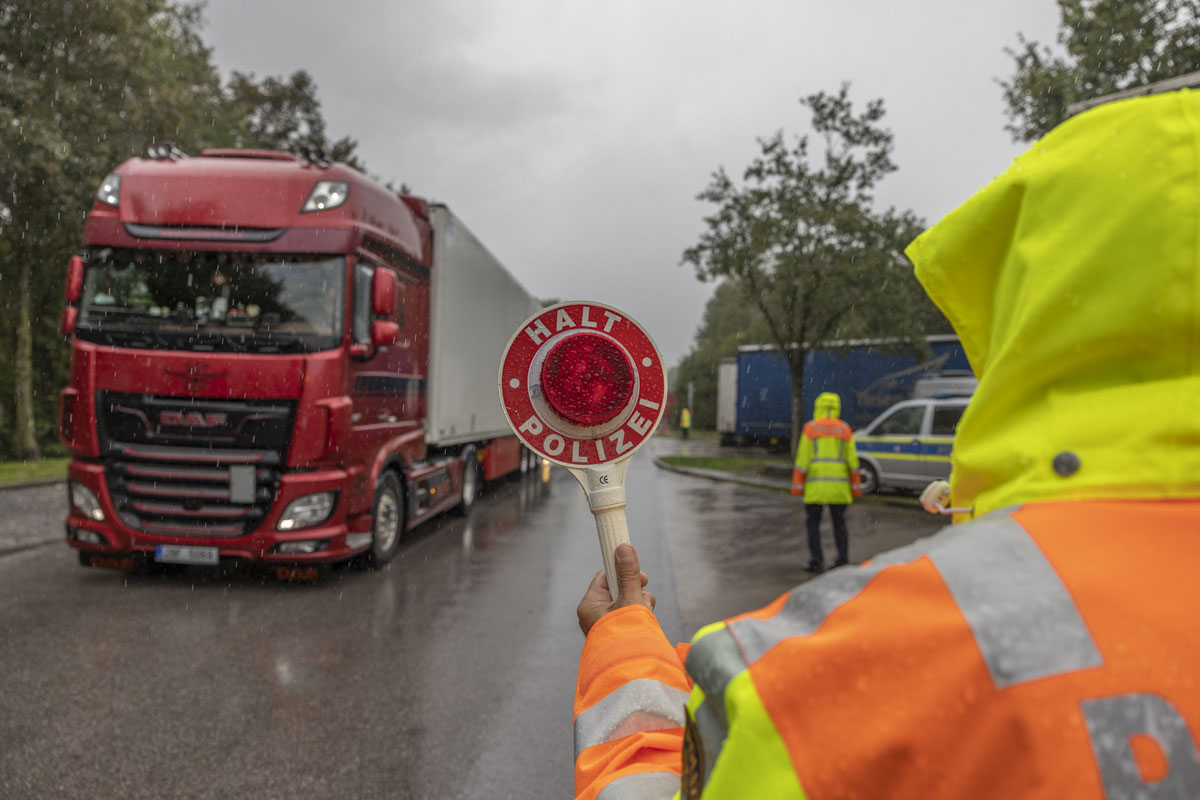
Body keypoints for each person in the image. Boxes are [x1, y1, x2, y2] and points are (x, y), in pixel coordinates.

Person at [572, 89, 1200, 799]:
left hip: (825, 513)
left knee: (825, 539)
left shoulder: (873, 660)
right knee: (832, 534)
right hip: (844, 497)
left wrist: (625, 643)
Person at [790, 391, 861, 572]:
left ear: (818, 407)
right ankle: (842, 558)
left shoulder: (810, 428)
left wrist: (797, 486)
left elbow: (802, 460)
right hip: (839, 488)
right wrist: (856, 487)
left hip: (816, 488)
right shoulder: (844, 429)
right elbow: (853, 462)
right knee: (839, 523)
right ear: (837, 407)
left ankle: (816, 560)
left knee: (813, 525)